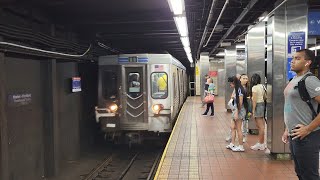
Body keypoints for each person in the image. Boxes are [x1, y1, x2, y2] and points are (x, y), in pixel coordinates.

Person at [282, 49, 320, 180]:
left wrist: (308, 129)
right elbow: (291, 106)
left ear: (307, 62)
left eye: (297, 58)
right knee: (301, 173)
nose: (292, 61)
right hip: (295, 134)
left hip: (307, 136)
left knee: (310, 175)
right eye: (293, 58)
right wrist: (287, 128)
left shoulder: (310, 80)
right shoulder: (294, 79)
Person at [226, 76, 248, 152]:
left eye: (230, 84)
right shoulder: (237, 88)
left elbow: (240, 102)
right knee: (232, 127)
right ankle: (232, 143)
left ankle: (241, 146)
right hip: (236, 109)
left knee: (238, 129)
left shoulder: (240, 89)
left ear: (234, 83)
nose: (230, 86)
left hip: (239, 110)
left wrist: (237, 113)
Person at [250, 73, 266, 150]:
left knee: (260, 127)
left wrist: (253, 110)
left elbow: (254, 100)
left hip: (258, 106)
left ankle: (261, 143)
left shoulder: (254, 88)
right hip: (262, 105)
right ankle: (262, 143)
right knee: (261, 125)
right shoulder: (262, 86)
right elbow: (265, 96)